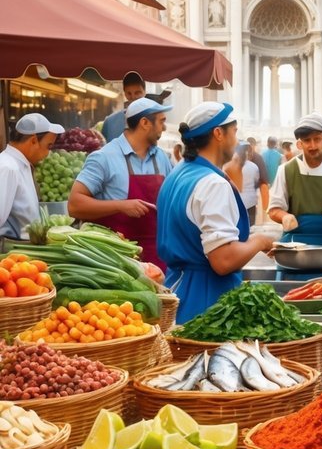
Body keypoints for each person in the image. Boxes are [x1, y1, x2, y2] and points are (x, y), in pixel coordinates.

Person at [157, 102, 276, 323]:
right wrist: (259, 242)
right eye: (235, 131)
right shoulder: (212, 183)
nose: (237, 139)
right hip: (207, 305)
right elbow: (223, 260)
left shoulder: (178, 173)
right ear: (218, 133)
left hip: (176, 291)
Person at [69, 97, 174, 269]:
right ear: (145, 123)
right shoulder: (104, 157)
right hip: (116, 261)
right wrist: (121, 206)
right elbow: (74, 205)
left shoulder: (161, 157)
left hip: (156, 257)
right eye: (161, 121)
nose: (164, 127)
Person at [268, 113, 322, 252]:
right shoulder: (286, 170)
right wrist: (285, 216)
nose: (312, 145)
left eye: (317, 139)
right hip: (295, 244)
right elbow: (273, 210)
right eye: (307, 140)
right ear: (300, 143)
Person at [0, 114, 63, 240]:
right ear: (33, 140)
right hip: (13, 251)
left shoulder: (21, 164)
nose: (48, 153)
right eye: (48, 146)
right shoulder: (8, 167)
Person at [225, 143, 269, 225]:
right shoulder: (254, 166)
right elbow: (256, 181)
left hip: (234, 201)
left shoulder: (229, 166)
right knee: (250, 226)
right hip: (251, 201)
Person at [99, 72, 147, 141]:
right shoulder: (110, 122)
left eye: (137, 93)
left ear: (144, 92)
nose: (133, 97)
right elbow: (102, 147)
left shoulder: (153, 120)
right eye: (129, 93)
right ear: (124, 93)